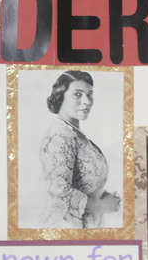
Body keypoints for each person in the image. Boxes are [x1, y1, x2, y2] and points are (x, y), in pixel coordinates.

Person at [37, 70, 121, 228]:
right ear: (61, 97)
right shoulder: (59, 135)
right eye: (78, 94)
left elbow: (84, 181)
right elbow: (58, 192)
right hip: (66, 226)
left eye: (90, 94)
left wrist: (104, 196)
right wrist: (102, 206)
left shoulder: (74, 133)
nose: (87, 101)